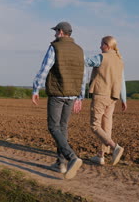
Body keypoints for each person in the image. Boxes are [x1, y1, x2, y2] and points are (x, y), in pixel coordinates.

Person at [32, 21, 87, 180]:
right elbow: (83, 74)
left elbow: (44, 69)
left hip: (57, 93)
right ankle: (60, 163)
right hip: (72, 95)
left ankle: (71, 158)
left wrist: (36, 88)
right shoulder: (79, 50)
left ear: (61, 32)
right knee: (62, 127)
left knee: (53, 127)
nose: (55, 34)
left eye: (56, 31)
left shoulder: (55, 47)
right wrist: (80, 96)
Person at [85, 36, 127, 166]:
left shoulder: (102, 57)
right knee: (106, 126)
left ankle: (115, 147)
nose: (100, 47)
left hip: (101, 94)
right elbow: (122, 81)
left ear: (107, 45)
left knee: (95, 125)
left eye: (101, 44)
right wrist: (124, 99)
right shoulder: (120, 60)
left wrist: (72, 55)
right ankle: (101, 156)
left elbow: (86, 62)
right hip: (112, 97)